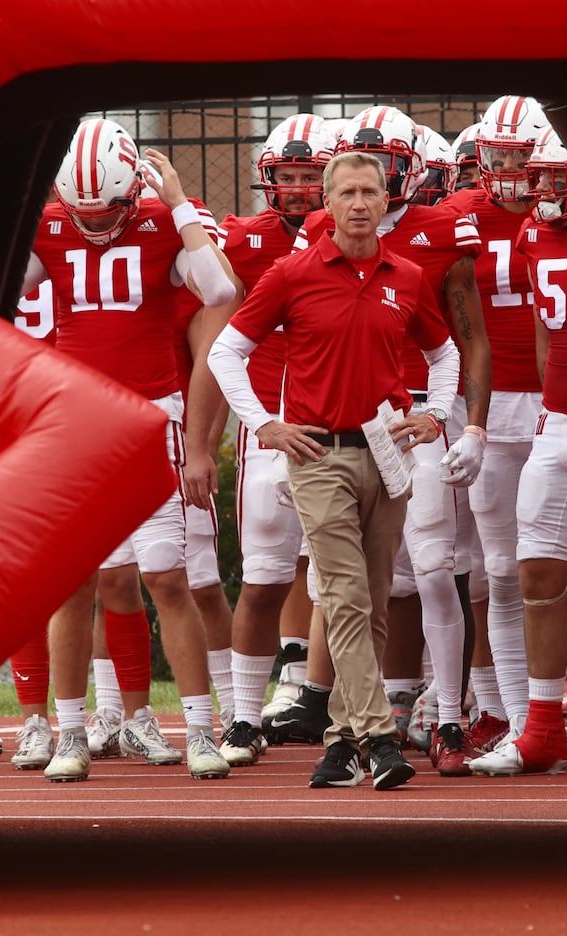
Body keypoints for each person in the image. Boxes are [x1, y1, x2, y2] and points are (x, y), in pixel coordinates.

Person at [207, 149, 461, 790]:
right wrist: (265, 424)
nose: (356, 203)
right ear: (327, 201)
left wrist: (435, 417)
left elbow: (446, 352)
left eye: (368, 192)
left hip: (388, 453)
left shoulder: (405, 275)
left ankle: (341, 743)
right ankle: (378, 737)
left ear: (384, 201)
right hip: (318, 456)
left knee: (373, 602)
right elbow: (225, 352)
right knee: (344, 594)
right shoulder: (291, 274)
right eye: (344, 192)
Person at [22, 117, 241, 783]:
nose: (90, 224)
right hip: (78, 421)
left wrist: (177, 205)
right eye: (78, 211)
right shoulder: (52, 224)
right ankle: (70, 732)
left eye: (104, 211)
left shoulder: (164, 218)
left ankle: (200, 729)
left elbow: (223, 291)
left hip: (151, 417)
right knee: (73, 583)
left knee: (168, 578)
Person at [470, 128, 567, 776]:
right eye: (545, 179)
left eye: (562, 178)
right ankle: (542, 730)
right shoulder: (533, 234)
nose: (549, 190)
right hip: (558, 419)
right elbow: (541, 339)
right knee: (536, 574)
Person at [214, 114, 336, 767]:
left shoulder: (359, 241)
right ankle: (240, 716)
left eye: (309, 176)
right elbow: (215, 324)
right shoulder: (246, 242)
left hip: (334, 420)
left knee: (334, 577)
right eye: (286, 177)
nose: (295, 189)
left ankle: (328, 702)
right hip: (266, 422)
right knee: (262, 579)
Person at [441, 95, 552, 755]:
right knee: (498, 570)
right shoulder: (459, 217)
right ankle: (509, 711)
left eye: (520, 154)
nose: (509, 166)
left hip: (560, 401)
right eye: (498, 155)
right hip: (485, 404)